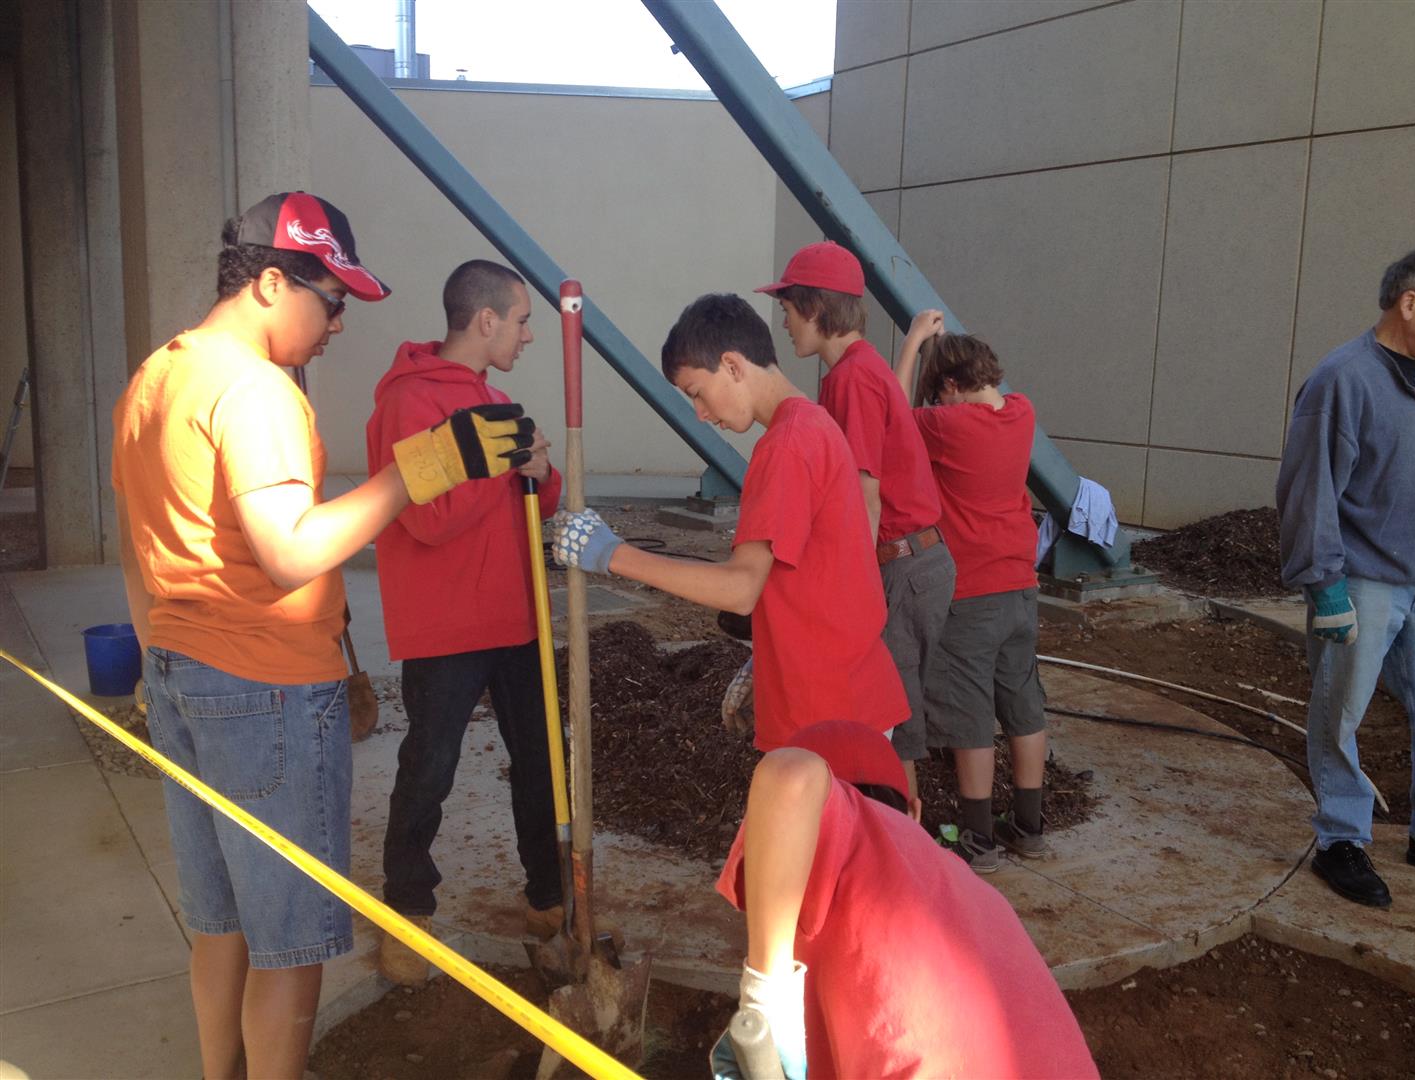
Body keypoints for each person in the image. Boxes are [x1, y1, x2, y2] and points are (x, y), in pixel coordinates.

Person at [112, 192, 534, 1079]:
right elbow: (291, 552)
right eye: (332, 300)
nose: (339, 324)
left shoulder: (157, 376)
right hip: (266, 688)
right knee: (291, 945)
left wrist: (162, 660)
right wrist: (424, 467)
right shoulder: (254, 389)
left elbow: (135, 547)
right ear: (271, 283)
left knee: (222, 923)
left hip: (184, 677)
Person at [551, 292, 907, 751]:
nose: (700, 414)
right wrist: (769, 659)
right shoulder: (814, 426)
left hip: (824, 713)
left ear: (733, 365)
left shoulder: (786, 446)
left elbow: (740, 589)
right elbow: (826, 574)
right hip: (846, 689)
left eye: (696, 393)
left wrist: (610, 553)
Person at [365, 259, 564, 985]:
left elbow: (537, 498)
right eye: (522, 321)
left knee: (542, 761)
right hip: (447, 623)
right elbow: (428, 517)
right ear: (486, 320)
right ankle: (407, 911)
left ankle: (549, 897)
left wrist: (540, 472)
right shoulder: (408, 402)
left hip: (516, 615)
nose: (528, 335)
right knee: (430, 767)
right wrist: (503, 467)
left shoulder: (497, 401)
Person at [709, 719, 1098, 1080]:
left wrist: (767, 998)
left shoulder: (852, 833)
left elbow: (790, 774)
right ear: (914, 810)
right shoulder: (979, 894)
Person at [756, 242, 955, 801]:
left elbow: (865, 496)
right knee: (887, 715)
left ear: (816, 309)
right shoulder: (861, 369)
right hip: (915, 559)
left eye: (788, 309)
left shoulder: (849, 380)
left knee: (888, 724)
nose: (785, 323)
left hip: (899, 565)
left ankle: (897, 839)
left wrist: (850, 593)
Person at [1276, 239, 1415, 908]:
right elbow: (1308, 491)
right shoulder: (1342, 379)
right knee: (1339, 712)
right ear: (1411, 302)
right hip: (1365, 583)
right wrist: (1327, 588)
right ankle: (1341, 840)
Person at [894, 312, 1049, 873]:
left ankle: (978, 839)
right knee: (1023, 705)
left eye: (942, 392)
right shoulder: (1022, 412)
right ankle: (1029, 827)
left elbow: (891, 416)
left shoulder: (948, 426)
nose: (938, 402)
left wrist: (913, 343)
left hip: (971, 591)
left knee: (970, 715)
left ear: (953, 386)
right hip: (1021, 586)